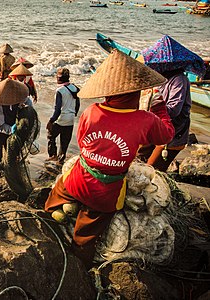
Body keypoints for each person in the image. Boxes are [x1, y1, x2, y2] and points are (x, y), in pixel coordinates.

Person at [44, 50, 175, 268]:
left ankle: (49, 222)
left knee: (55, 196)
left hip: (78, 178)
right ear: (137, 92)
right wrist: (160, 108)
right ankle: (79, 269)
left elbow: (83, 140)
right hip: (106, 193)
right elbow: (167, 135)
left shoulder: (92, 111)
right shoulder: (146, 120)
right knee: (86, 236)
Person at [138, 35, 203, 171]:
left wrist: (153, 105)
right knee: (138, 158)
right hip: (155, 128)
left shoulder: (179, 80)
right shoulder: (159, 79)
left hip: (173, 135)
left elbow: (174, 110)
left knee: (151, 169)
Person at [0, 78, 29, 163]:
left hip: (12, 136)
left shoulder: (18, 101)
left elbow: (28, 102)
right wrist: (12, 129)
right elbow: (2, 126)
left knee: (12, 158)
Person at [45, 68, 80, 164]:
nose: (56, 78)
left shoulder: (60, 91)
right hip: (71, 119)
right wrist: (74, 113)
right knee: (65, 140)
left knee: (51, 135)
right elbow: (77, 104)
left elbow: (58, 109)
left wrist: (51, 121)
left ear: (60, 78)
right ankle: (61, 158)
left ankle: (53, 155)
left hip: (61, 119)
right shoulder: (75, 88)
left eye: (57, 76)